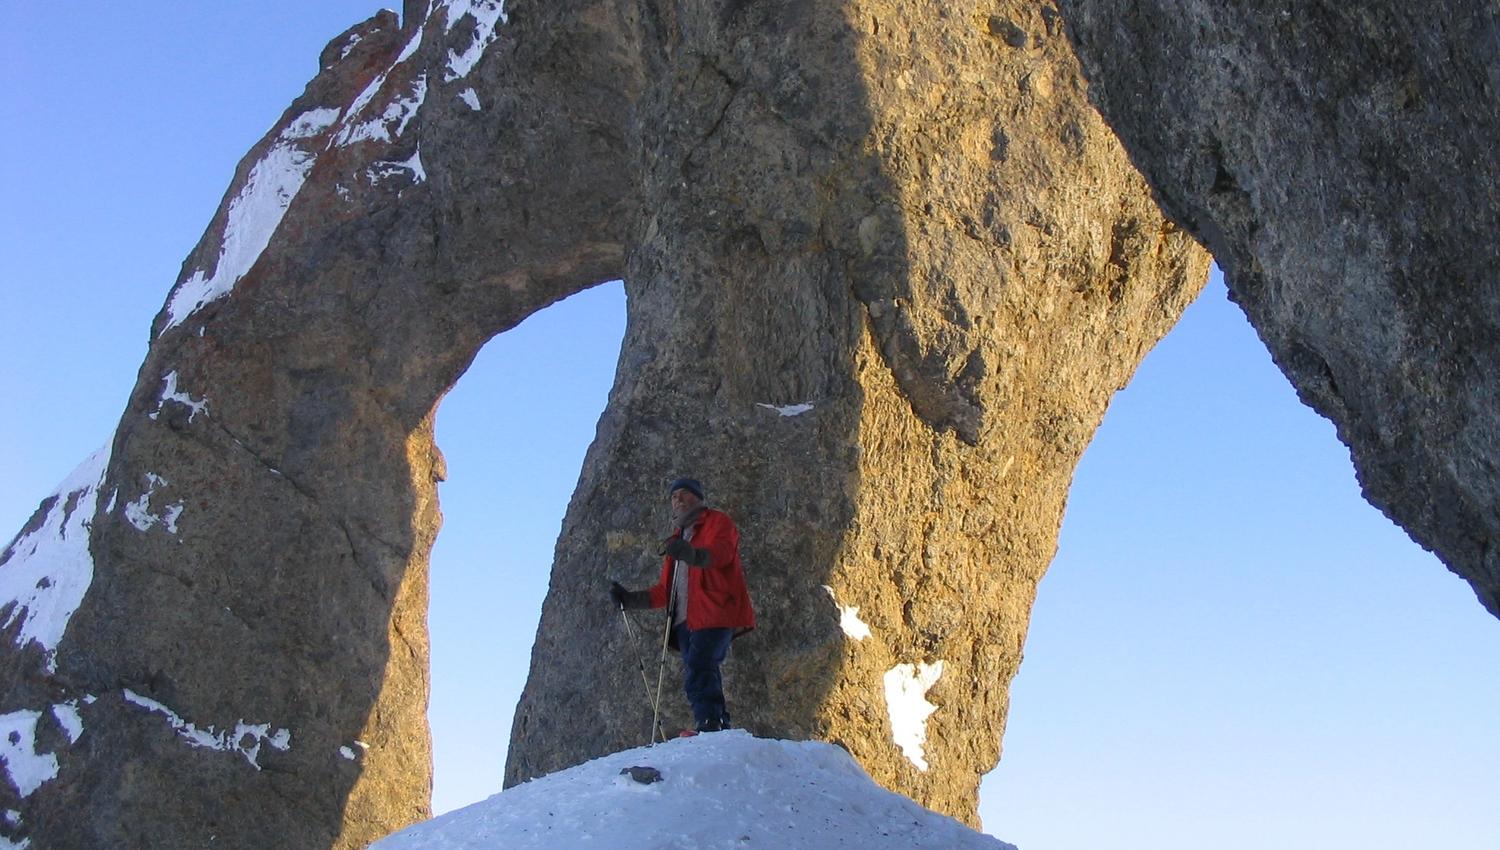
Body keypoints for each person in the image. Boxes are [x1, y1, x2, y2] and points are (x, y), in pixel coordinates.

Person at [611, 477, 755, 733]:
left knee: (700, 666)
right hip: (684, 622)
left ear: (697, 497)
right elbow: (665, 591)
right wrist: (630, 599)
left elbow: (721, 554)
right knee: (702, 667)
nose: (677, 500)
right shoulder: (677, 540)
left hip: (714, 612)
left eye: (683, 494)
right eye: (673, 496)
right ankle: (717, 722)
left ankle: (710, 723)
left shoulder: (717, 522)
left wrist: (689, 553)